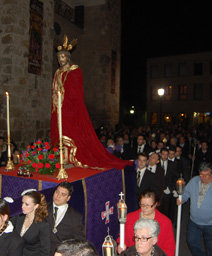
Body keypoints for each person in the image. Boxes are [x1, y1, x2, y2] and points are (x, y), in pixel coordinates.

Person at [50, 35, 131, 170]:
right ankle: (61, 157)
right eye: (59, 58)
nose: (60, 60)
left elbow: (76, 91)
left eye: (63, 57)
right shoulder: (57, 72)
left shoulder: (75, 70)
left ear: (68, 57)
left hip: (70, 108)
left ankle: (71, 157)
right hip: (58, 107)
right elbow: (54, 88)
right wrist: (55, 96)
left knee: (70, 132)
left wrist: (63, 94)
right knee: (59, 132)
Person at [177, 162, 212, 256]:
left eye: (207, 175)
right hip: (194, 222)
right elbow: (186, 193)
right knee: (191, 242)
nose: (203, 178)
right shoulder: (194, 181)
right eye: (201, 175)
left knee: (211, 248)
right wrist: (182, 199)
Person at [118, 189, 175, 256]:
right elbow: (122, 238)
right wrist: (121, 246)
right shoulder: (130, 218)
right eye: (142, 205)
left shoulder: (165, 222)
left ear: (156, 204)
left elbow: (169, 249)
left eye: (148, 205)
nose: (144, 208)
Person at [46, 182, 85, 254]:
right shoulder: (43, 208)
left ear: (68, 198)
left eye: (63, 194)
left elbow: (79, 241)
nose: (58, 196)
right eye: (57, 192)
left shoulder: (75, 217)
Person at [11, 190, 50, 256]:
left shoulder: (43, 225)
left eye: (27, 204)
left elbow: (45, 251)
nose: (22, 206)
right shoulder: (18, 218)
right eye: (22, 203)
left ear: (36, 206)